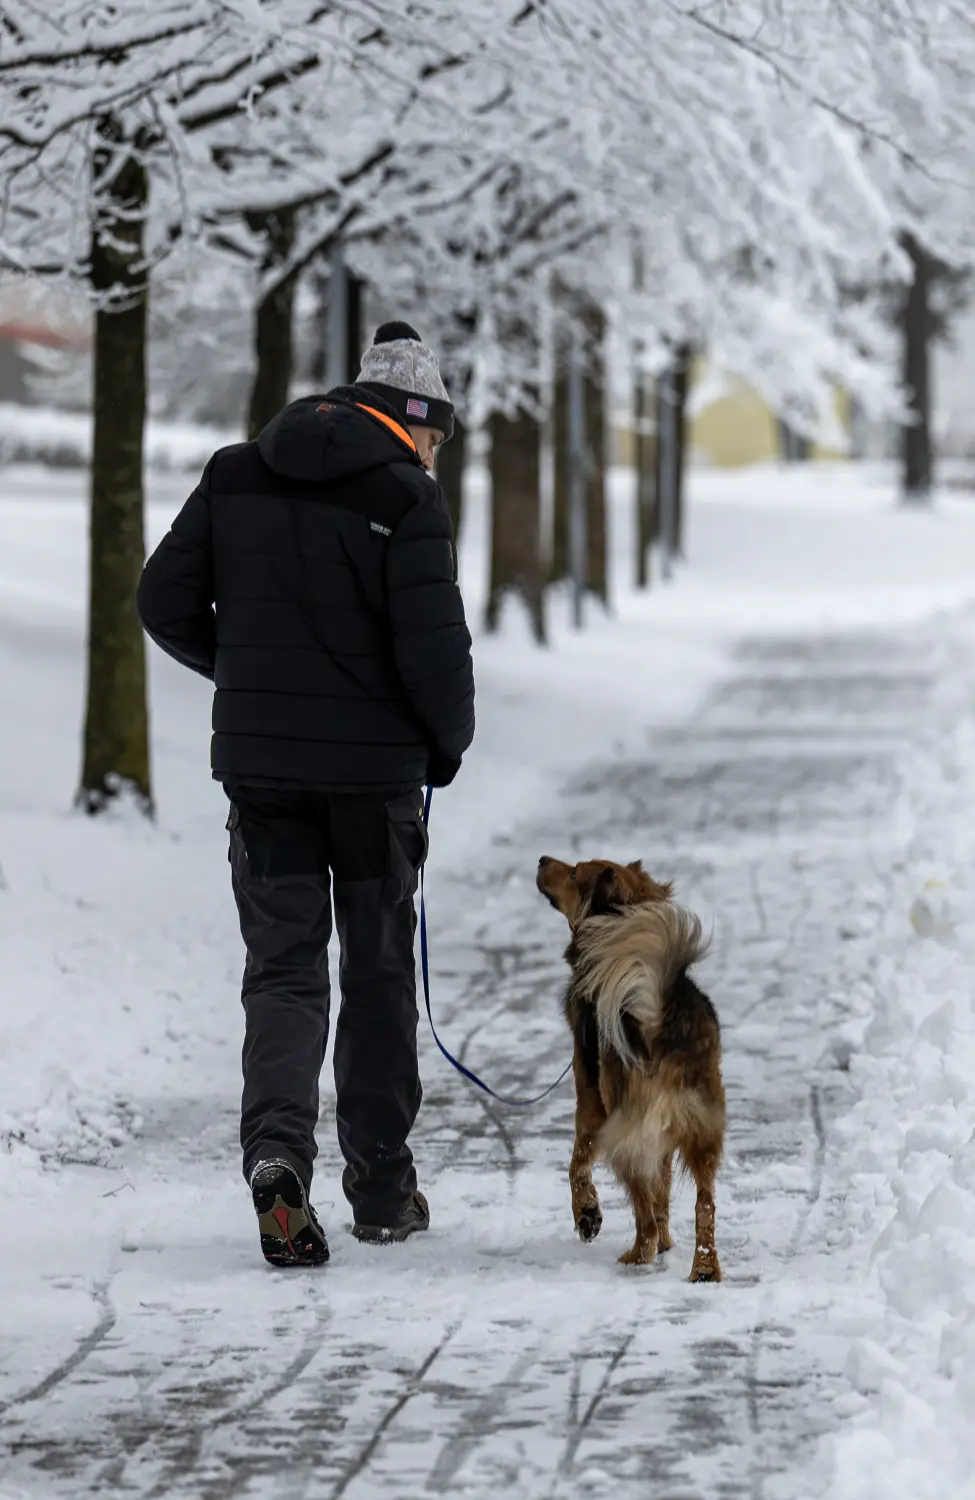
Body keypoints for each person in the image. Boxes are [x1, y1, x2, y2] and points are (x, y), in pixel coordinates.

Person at [136, 321, 474, 1267]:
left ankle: (277, 1156)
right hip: (373, 786)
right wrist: (442, 747)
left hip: (265, 778)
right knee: (373, 978)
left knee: (283, 973)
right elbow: (435, 654)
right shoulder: (405, 496)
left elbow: (161, 601)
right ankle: (380, 1190)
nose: (434, 454)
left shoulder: (236, 471)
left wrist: (248, 683)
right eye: (436, 437)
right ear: (412, 420)